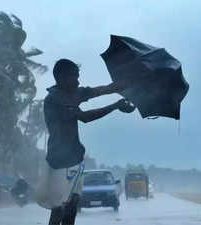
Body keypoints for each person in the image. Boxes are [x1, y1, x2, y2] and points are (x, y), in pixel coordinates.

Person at [36, 59, 135, 225]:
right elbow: (85, 117)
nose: (77, 81)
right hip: (59, 162)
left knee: (72, 207)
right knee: (59, 209)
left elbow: (99, 90)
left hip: (75, 159)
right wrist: (115, 106)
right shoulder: (54, 100)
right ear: (61, 77)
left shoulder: (71, 93)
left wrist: (122, 85)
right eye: (74, 77)